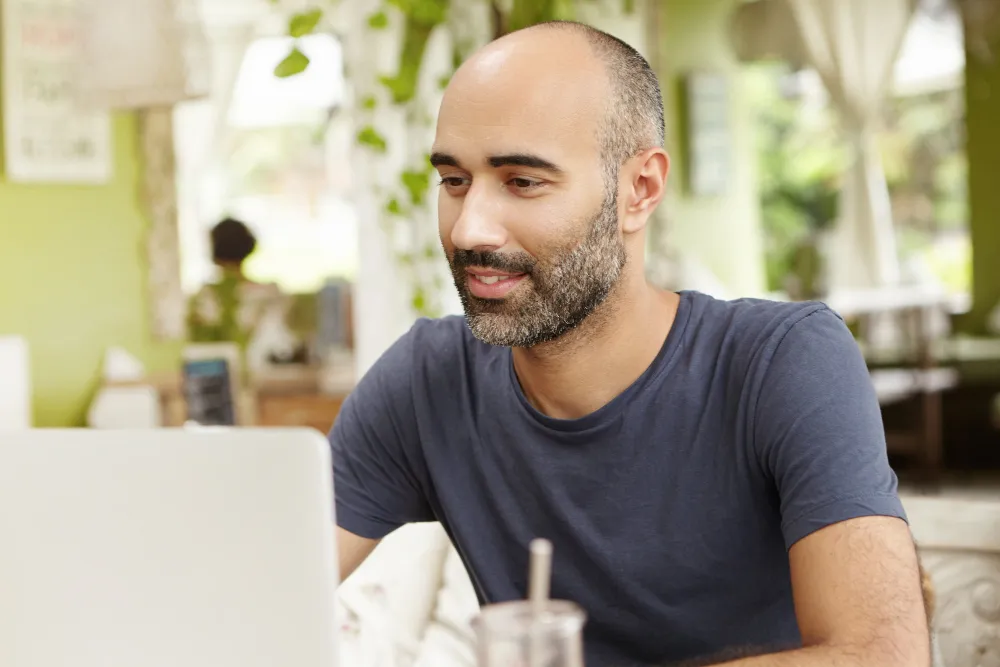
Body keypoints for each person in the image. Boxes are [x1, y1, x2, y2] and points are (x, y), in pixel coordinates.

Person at [330, 21, 929, 667]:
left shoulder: (782, 361)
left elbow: (882, 655)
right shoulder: (427, 382)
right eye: (454, 181)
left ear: (639, 190)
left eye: (522, 181)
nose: (470, 227)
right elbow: (254, 589)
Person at [187, 217, 295, 366]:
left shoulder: (203, 298)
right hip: (265, 378)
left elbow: (198, 351)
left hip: (217, 380)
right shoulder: (271, 294)